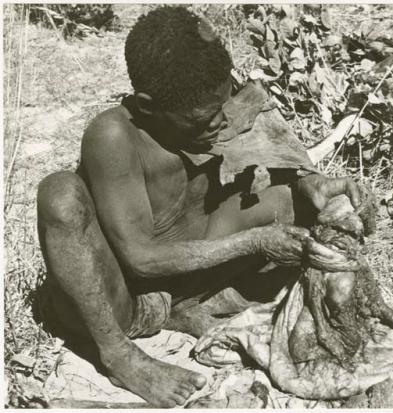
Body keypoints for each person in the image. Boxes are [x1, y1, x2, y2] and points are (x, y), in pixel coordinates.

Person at [37, 6, 361, 408]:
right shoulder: (114, 136)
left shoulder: (218, 98)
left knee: (302, 202)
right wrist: (256, 241)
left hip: (196, 278)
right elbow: (141, 259)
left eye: (223, 103)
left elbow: (276, 155)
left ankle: (191, 309)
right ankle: (120, 357)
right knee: (59, 194)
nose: (222, 122)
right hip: (127, 300)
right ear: (149, 106)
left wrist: (312, 183)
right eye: (203, 119)